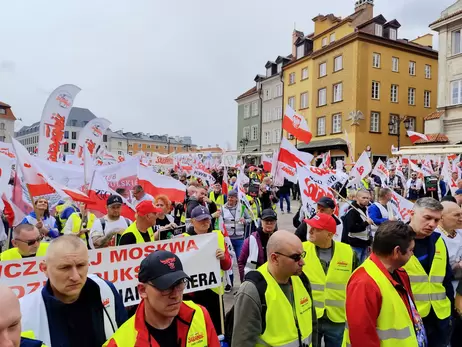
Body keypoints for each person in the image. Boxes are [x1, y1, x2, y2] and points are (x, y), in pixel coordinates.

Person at [19, 235, 127, 346]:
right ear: (44, 268)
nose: (75, 277)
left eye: (81, 265)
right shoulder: (24, 311)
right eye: (65, 268)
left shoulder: (105, 289)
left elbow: (125, 337)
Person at [103, 250, 220, 346]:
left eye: (179, 284)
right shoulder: (121, 343)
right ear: (142, 290)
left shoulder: (198, 314)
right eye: (166, 287)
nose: (175, 295)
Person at [343, 221, 424, 347]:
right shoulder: (364, 282)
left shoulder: (400, 273)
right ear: (397, 251)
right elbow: (362, 337)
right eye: (410, 250)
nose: (412, 254)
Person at [231, 231, 317, 347]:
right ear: (275, 258)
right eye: (296, 257)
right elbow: (242, 342)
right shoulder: (252, 290)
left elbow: (313, 324)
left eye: (302, 255)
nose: (302, 262)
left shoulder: (302, 279)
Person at [404, 197, 453, 346]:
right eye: (427, 218)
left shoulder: (438, 241)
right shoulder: (395, 240)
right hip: (409, 318)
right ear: (412, 213)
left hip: (440, 318)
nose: (432, 224)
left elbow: (446, 279)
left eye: (436, 220)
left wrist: (450, 314)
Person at [303, 213, 356, 347]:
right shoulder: (301, 250)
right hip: (310, 317)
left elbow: (357, 285)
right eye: (311, 227)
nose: (310, 231)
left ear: (330, 234)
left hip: (337, 319)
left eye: (316, 229)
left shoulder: (349, 253)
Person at [183, 205, 232, 333]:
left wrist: (223, 257)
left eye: (207, 219)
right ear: (192, 221)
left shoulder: (217, 236)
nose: (205, 222)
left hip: (214, 292)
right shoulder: (184, 239)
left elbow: (227, 266)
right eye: (201, 220)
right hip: (192, 293)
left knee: (216, 330)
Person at [238, 208, 278, 281]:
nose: (269, 223)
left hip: (274, 278)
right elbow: (241, 262)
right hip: (255, 278)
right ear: (261, 222)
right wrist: (243, 280)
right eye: (266, 221)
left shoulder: (280, 239)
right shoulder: (251, 240)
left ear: (275, 223)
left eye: (271, 221)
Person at [434, 201, 462, 292]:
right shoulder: (434, 236)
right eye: (457, 215)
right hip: (445, 289)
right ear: (441, 217)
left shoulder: (459, 232)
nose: (461, 218)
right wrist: (457, 266)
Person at [342, 190, 374, 264]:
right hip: (355, 243)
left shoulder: (365, 209)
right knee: (355, 265)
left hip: (364, 243)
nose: (366, 200)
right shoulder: (352, 211)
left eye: (368, 198)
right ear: (356, 198)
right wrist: (365, 223)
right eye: (363, 198)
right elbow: (351, 228)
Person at [221, 190, 251, 259]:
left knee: (240, 258)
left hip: (239, 238)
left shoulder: (242, 207)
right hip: (227, 239)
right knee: (228, 259)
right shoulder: (222, 208)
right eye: (229, 197)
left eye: (232, 197)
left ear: (236, 198)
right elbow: (220, 222)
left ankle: (241, 270)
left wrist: (245, 221)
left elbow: (249, 219)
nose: (229, 199)